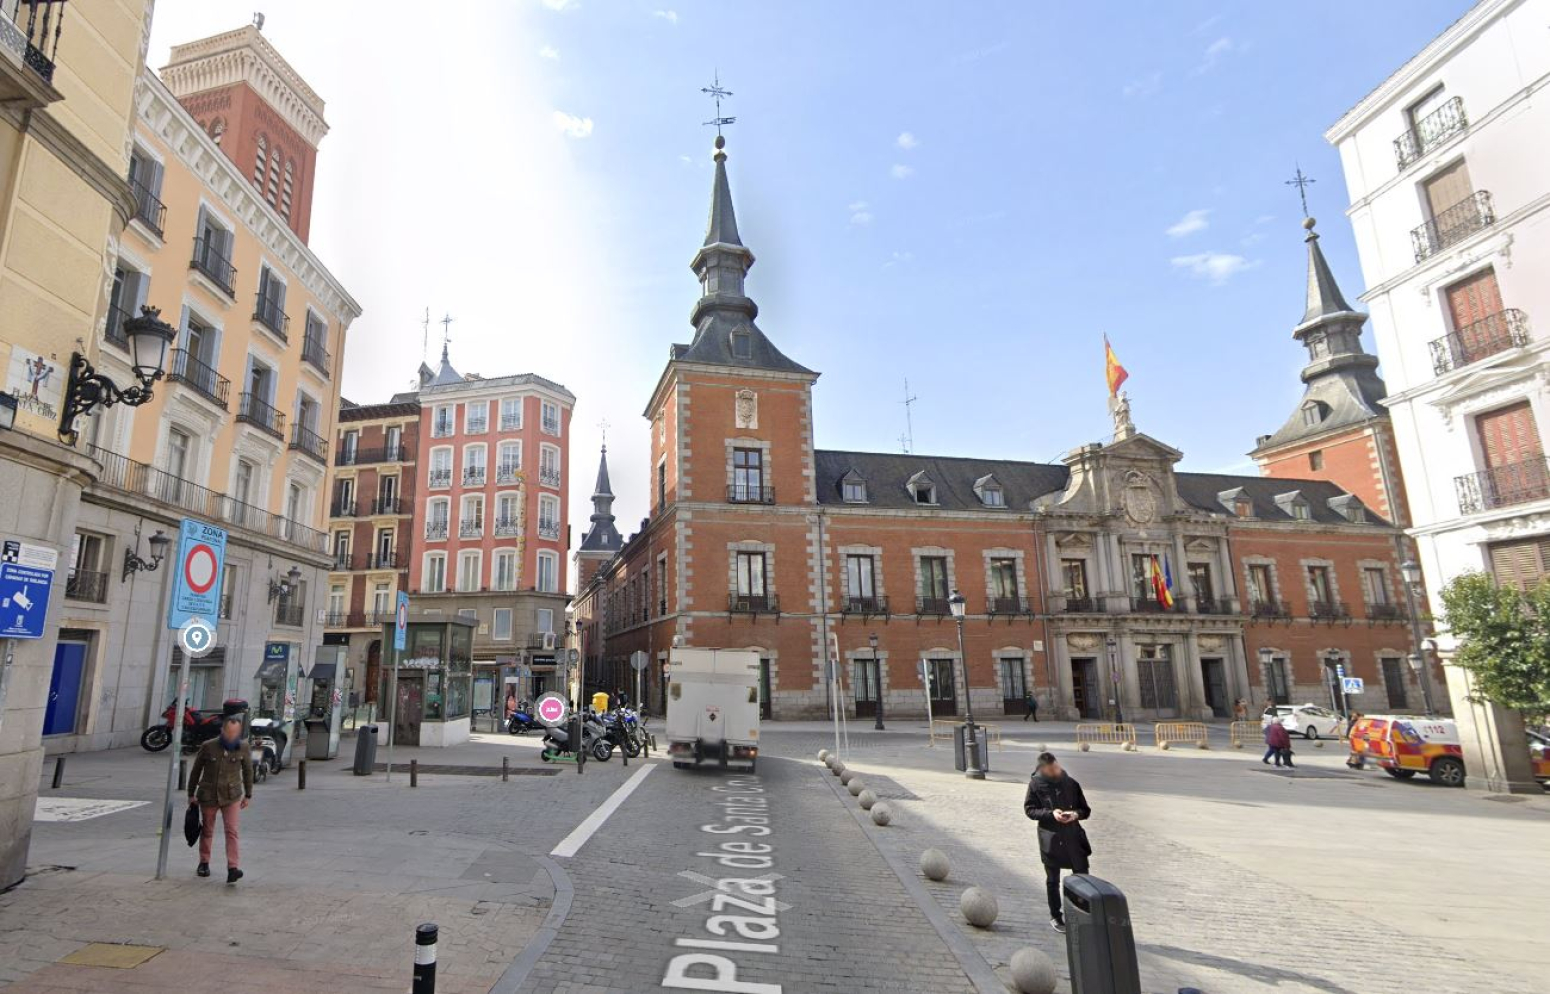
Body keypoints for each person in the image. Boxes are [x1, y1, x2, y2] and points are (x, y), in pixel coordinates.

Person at [1023, 751, 1092, 934]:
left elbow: (1085, 810)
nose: (1055, 771)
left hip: (1073, 836)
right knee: (1053, 880)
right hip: (1051, 838)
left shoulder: (1071, 783)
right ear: (1042, 769)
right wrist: (1051, 814)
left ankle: (1083, 914)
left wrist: (1075, 814)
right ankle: (1056, 915)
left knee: (1083, 877)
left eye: (1056, 766)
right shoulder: (1035, 784)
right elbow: (1030, 810)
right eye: (1050, 769)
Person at [187, 714, 252, 884]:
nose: (232, 736)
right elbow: (196, 771)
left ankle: (233, 868)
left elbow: (248, 771)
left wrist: (248, 795)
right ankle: (204, 863)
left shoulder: (243, 747)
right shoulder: (208, 746)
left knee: (232, 831)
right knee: (207, 830)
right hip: (209, 795)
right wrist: (191, 794)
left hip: (232, 796)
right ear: (222, 730)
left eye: (235, 733)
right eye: (229, 732)